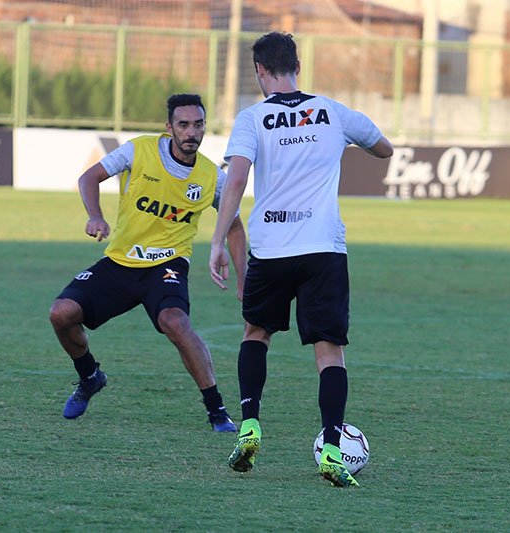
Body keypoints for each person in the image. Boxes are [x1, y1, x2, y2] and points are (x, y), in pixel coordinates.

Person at [209, 32, 393, 486]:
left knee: (256, 332)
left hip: (271, 248)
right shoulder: (334, 112)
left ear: (259, 71)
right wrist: (350, 142)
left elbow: (234, 182)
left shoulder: (253, 118)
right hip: (323, 251)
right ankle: (332, 447)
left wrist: (217, 241)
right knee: (330, 352)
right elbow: (384, 148)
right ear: (297, 66)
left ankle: (249, 425)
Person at [50, 93, 247, 432]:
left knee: (176, 323)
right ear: (169, 127)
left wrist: (243, 279)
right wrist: (95, 216)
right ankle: (90, 377)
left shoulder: (213, 177)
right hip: (120, 261)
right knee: (61, 313)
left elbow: (235, 226)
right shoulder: (138, 151)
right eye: (183, 125)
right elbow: (89, 178)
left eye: (198, 125)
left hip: (167, 267)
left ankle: (217, 412)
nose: (191, 133)